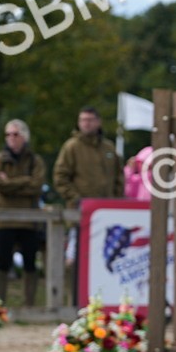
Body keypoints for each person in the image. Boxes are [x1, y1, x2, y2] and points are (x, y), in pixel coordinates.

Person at [53, 107, 123, 296]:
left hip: (107, 217)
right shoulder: (72, 147)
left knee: (104, 260)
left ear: (98, 122)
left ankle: (104, 300)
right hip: (80, 215)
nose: (86, 123)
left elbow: (119, 179)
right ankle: (74, 299)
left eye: (90, 119)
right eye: (83, 119)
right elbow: (60, 177)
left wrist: (115, 203)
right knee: (75, 260)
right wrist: (77, 200)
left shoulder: (109, 148)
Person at [0, 119, 46, 306]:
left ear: (24, 136)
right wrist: (25, 181)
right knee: (2, 262)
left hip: (29, 220)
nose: (11, 138)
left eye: (15, 134)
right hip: (4, 219)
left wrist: (11, 183)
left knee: (30, 263)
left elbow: (37, 186)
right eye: (8, 134)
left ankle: (28, 304)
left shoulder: (34, 160)